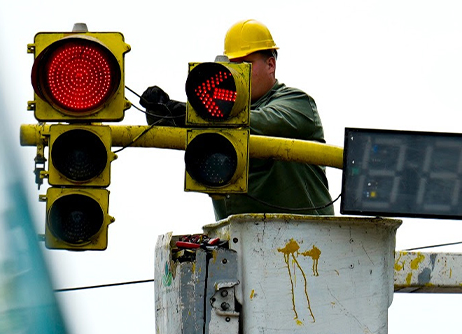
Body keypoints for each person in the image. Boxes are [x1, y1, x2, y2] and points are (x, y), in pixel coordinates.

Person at [140, 19, 334, 220]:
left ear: (271, 65)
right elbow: (178, 128)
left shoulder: (297, 103)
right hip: (241, 239)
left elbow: (261, 122)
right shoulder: (218, 116)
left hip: (311, 239)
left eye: (246, 65)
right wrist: (162, 111)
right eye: (232, 68)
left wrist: (188, 113)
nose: (237, 75)